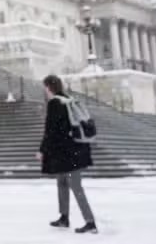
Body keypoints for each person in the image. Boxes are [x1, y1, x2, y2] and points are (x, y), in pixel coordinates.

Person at [37, 74, 98, 234]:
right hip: (72, 151)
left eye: (44, 87)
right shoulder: (68, 99)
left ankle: (90, 222)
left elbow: (50, 131)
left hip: (69, 153)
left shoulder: (55, 103)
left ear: (48, 87)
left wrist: (42, 150)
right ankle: (64, 217)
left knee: (76, 187)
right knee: (62, 183)